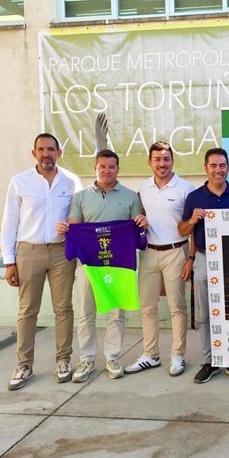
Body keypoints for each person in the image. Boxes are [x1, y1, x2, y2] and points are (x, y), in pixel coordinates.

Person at [57, 149, 147, 383]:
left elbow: (138, 225)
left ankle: (112, 357)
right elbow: (74, 226)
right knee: (86, 313)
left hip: (118, 265)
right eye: (102, 167)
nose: (107, 170)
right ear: (95, 169)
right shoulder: (81, 197)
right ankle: (86, 358)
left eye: (111, 166)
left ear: (118, 169)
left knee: (117, 313)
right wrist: (66, 228)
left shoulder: (130, 197)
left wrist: (141, 222)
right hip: (89, 265)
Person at [1, 133, 83, 390]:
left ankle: (64, 360)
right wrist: (9, 261)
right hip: (29, 251)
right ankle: (24, 364)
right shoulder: (19, 182)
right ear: (33, 153)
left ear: (59, 153)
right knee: (27, 311)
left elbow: (79, 216)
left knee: (64, 309)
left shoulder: (71, 182)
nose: (46, 153)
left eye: (51, 149)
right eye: (41, 149)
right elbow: (9, 223)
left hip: (61, 252)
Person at [178, 148, 229, 384]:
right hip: (204, 259)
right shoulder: (194, 198)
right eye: (213, 166)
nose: (218, 170)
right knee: (206, 315)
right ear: (206, 168)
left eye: (222, 165)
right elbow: (182, 231)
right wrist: (192, 220)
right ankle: (210, 360)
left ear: (228, 168)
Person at [126, 142, 194, 377]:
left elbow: (192, 227)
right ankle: (150, 354)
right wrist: (139, 221)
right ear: (150, 162)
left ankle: (178, 354)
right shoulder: (142, 189)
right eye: (157, 159)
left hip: (176, 251)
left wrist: (190, 259)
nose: (162, 164)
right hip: (148, 253)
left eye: (166, 159)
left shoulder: (185, 188)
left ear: (172, 161)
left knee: (177, 306)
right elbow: (138, 217)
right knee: (148, 307)